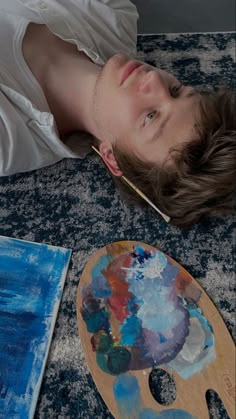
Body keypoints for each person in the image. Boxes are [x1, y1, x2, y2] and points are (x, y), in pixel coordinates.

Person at [0, 0, 235, 226]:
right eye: (175, 90)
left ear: (112, 157)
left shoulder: (6, 137)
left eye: (151, 116)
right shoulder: (116, 18)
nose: (154, 78)